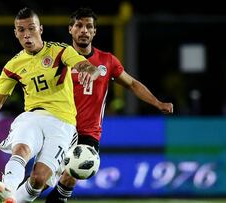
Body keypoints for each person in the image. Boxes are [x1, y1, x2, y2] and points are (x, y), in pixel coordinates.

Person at [0, 7, 100, 203]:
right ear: (16, 33)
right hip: (33, 117)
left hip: (62, 123)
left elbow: (85, 66)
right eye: (21, 30)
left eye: (31, 28)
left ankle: (14, 198)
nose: (27, 34)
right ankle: (9, 186)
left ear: (40, 29)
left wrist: (90, 71)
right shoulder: (13, 66)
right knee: (21, 148)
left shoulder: (60, 51)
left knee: (39, 179)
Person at [45, 8, 174, 203]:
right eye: (79, 26)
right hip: (60, 126)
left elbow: (131, 84)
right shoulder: (58, 59)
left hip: (89, 132)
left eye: (89, 26)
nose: (84, 30)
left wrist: (157, 103)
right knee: (42, 179)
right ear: (70, 29)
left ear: (95, 31)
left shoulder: (107, 61)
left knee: (73, 172)